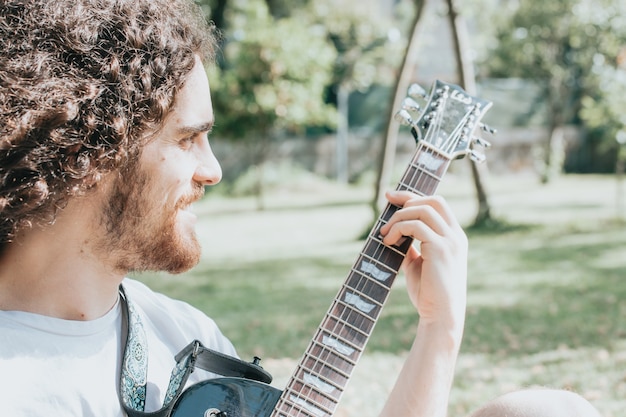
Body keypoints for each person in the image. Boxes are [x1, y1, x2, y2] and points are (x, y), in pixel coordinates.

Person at [0, 0, 603, 416]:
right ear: (89, 151)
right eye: (188, 139)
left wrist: (439, 331)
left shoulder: (183, 337)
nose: (213, 169)